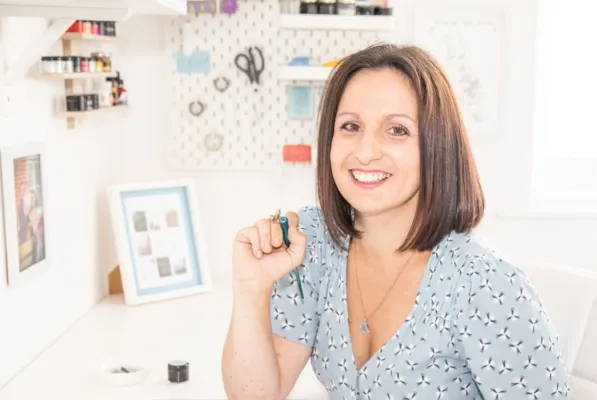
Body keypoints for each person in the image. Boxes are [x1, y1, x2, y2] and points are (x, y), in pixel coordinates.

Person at [221, 44, 571, 399]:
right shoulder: (312, 244)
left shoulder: (488, 284)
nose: (366, 151)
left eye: (397, 130)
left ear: (438, 145)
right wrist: (251, 290)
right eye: (350, 126)